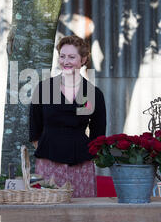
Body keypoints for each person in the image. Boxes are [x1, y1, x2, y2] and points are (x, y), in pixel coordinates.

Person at [29, 35, 107, 197]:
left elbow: (98, 132)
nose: (66, 61)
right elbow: (34, 129)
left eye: (72, 57)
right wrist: (48, 151)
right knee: (49, 213)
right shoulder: (44, 89)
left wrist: (88, 155)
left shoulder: (92, 93)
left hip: (81, 164)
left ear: (83, 59)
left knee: (81, 215)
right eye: (62, 56)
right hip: (48, 162)